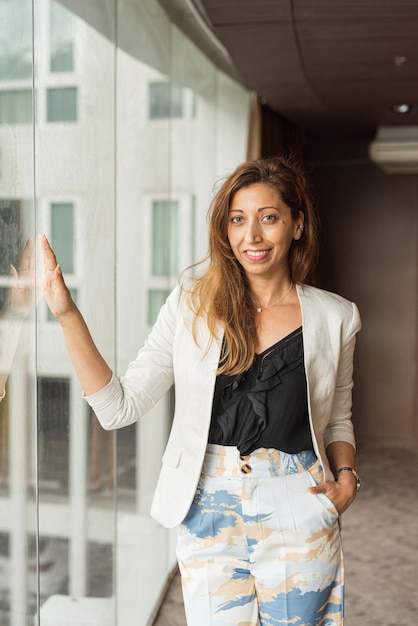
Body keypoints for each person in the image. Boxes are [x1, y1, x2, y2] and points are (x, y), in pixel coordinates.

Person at [42, 156, 361, 626]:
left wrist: (348, 475)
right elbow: (119, 408)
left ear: (296, 224)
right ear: (225, 231)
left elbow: (336, 416)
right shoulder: (191, 304)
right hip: (208, 506)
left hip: (299, 502)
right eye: (238, 219)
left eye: (268, 217)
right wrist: (68, 315)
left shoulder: (338, 317)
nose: (251, 235)